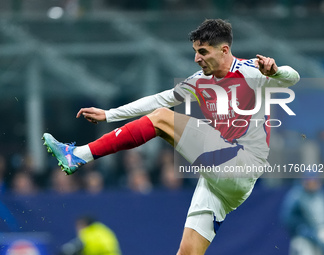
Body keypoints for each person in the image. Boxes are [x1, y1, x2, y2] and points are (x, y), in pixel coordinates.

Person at [43, 19, 300, 254]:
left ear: (224, 50)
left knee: (162, 118)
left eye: (203, 52)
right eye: (195, 52)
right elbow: (158, 99)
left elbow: (293, 77)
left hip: (243, 163)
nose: (197, 59)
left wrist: (275, 71)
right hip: (220, 182)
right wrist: (109, 114)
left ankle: (78, 155)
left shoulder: (252, 72)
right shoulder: (199, 81)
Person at [280, 175, 324, 255]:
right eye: (311, 182)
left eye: (315, 182)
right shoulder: (296, 196)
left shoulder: (319, 195)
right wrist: (305, 230)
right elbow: (288, 219)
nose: (314, 184)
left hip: (317, 235)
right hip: (302, 237)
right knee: (302, 246)